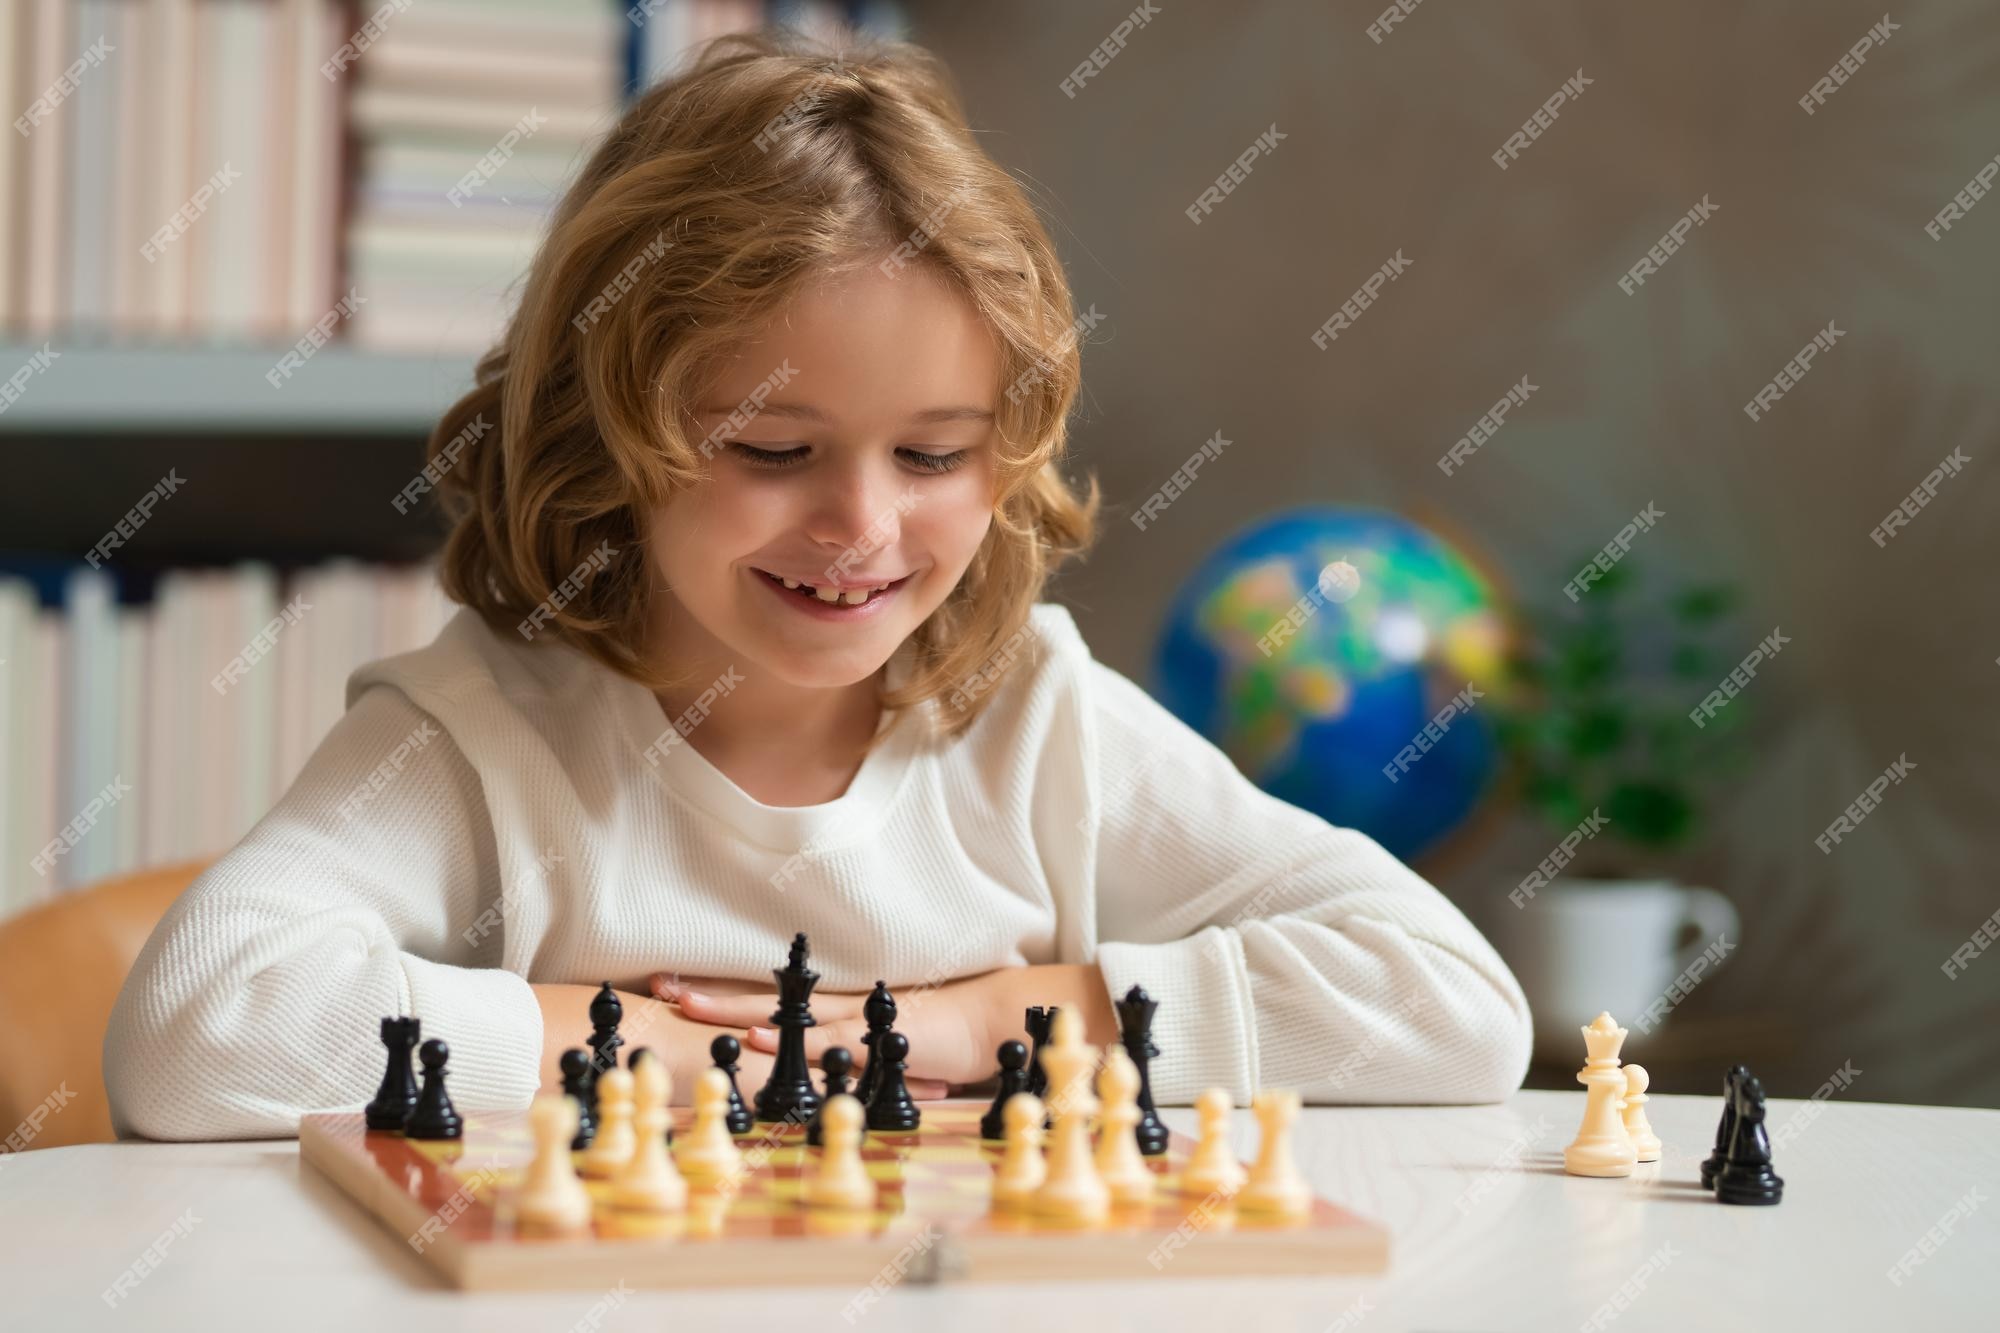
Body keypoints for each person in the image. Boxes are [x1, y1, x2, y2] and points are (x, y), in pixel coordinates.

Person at [104, 29, 1530, 1142]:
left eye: (934, 451)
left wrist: (1001, 1020)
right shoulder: (481, 732)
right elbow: (195, 1027)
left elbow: (1459, 1007)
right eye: (774, 447)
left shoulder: (1035, 723)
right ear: (611, 436)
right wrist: (634, 1046)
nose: (862, 521)